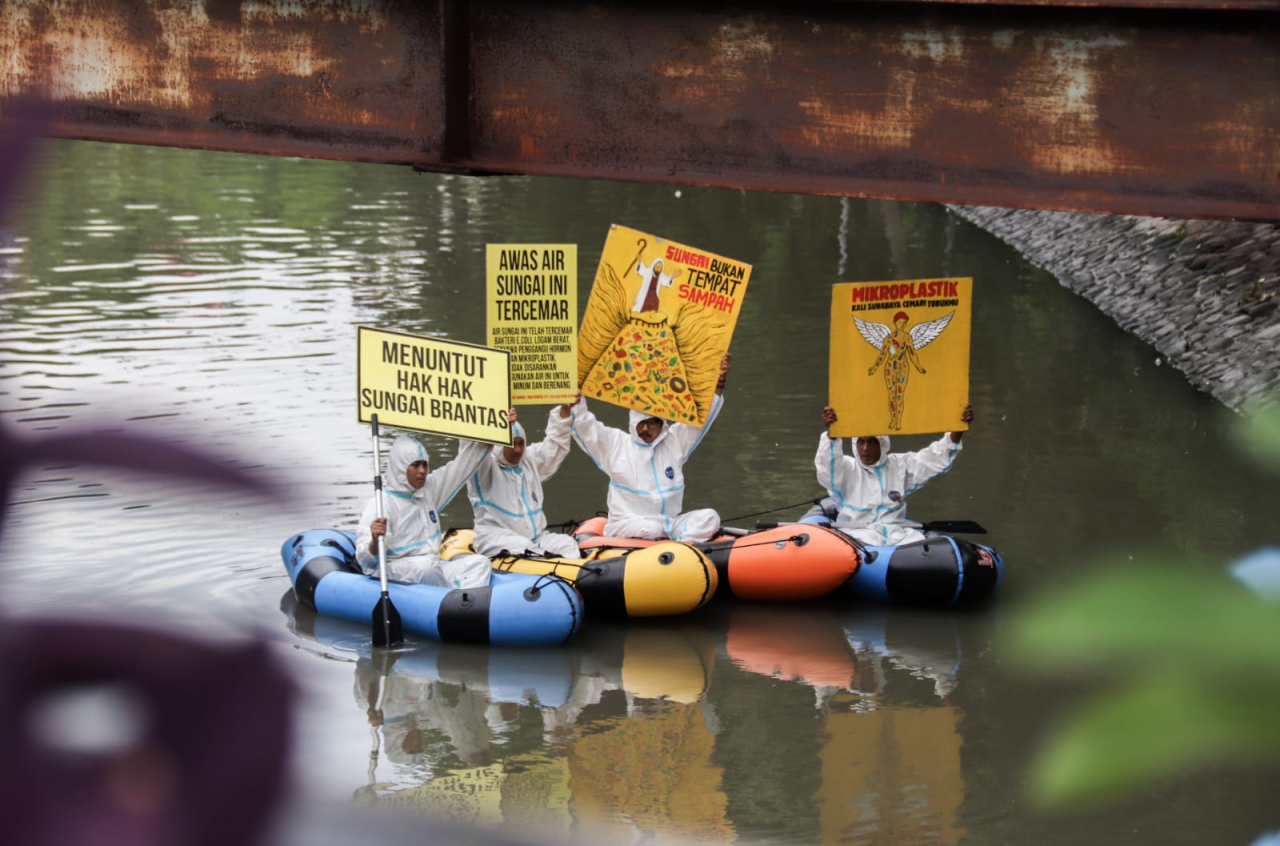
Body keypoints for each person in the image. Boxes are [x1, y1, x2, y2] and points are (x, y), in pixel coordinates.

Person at [567, 353, 732, 542]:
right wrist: (574, 396)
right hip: (627, 524)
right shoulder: (616, 444)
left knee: (710, 517)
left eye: (651, 423)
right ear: (633, 422)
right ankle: (675, 546)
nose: (645, 429)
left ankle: (678, 547)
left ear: (661, 423)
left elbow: (701, 419)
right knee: (652, 529)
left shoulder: (674, 441)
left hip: (670, 524)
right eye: (641, 423)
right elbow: (585, 426)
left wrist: (719, 379)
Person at [816, 403, 974, 546]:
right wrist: (832, 434)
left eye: (872, 442)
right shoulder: (847, 468)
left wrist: (958, 429)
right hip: (855, 535)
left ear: (882, 444)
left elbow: (932, 459)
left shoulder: (899, 466)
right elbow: (827, 468)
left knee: (922, 546)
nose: (865, 449)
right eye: (861, 442)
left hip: (896, 536)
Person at [355, 433, 493, 588]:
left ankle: (463, 598)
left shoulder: (427, 492)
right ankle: (450, 597)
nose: (422, 471)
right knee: (427, 569)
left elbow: (459, 469)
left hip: (431, 565)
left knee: (480, 563)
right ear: (401, 468)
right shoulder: (380, 504)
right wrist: (374, 541)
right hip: (394, 570)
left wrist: (490, 438)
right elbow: (365, 560)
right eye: (416, 465)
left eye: (424, 465)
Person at [466, 404, 580, 558]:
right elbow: (471, 448)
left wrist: (564, 412)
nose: (517, 450)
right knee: (524, 547)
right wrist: (497, 426)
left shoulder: (528, 461)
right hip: (496, 539)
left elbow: (553, 446)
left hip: (536, 539)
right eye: (512, 443)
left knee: (567, 544)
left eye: (521, 443)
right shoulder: (484, 469)